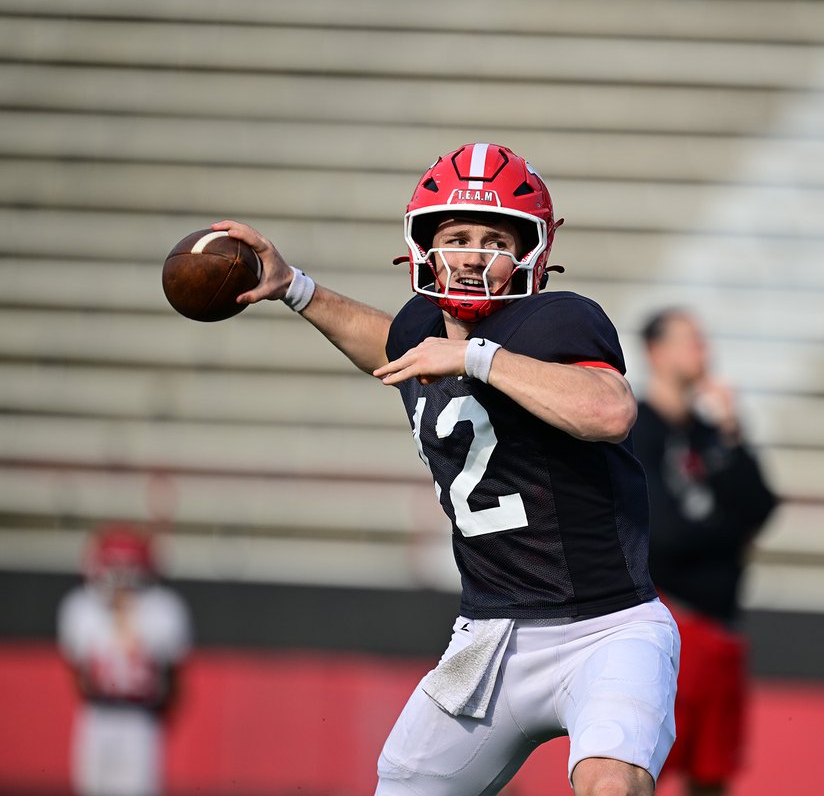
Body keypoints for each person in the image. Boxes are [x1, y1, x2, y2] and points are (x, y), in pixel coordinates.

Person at [214, 142, 680, 796]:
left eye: (494, 238)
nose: (472, 254)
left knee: (610, 781)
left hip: (605, 629)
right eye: (457, 236)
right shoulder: (422, 329)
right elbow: (391, 343)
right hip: (488, 637)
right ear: (425, 245)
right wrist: (296, 289)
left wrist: (476, 359)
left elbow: (608, 410)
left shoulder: (555, 321)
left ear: (531, 252)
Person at [632, 308, 777, 796]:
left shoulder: (709, 428)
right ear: (656, 351)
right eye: (690, 340)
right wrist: (731, 531)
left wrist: (733, 433)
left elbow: (762, 506)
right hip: (670, 619)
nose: (704, 351)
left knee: (712, 776)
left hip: (720, 624)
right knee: (643, 766)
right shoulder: (635, 426)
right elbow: (664, 532)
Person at [57, 523, 192, 796]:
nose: (121, 581)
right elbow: (76, 672)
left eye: (128, 572)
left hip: (139, 718)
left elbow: (174, 676)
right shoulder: (83, 608)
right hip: (98, 715)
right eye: (115, 571)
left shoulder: (162, 610)